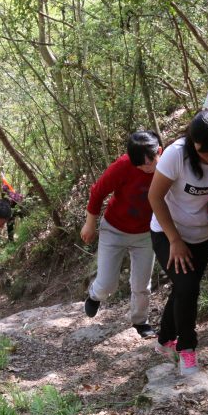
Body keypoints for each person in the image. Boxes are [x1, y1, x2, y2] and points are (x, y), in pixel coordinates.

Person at [148, 110, 208, 375]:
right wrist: (174, 240)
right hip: (168, 232)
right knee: (188, 288)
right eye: (205, 151)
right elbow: (155, 197)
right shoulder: (176, 155)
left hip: (203, 234)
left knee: (184, 288)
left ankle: (164, 340)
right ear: (193, 142)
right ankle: (186, 349)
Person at [82, 131, 163, 339]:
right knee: (107, 284)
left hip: (145, 233)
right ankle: (94, 295)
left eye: (149, 163)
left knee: (142, 285)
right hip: (114, 229)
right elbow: (98, 192)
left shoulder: (168, 166)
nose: (145, 168)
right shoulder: (123, 165)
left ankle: (140, 321)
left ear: (159, 152)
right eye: (140, 166)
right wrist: (90, 224)